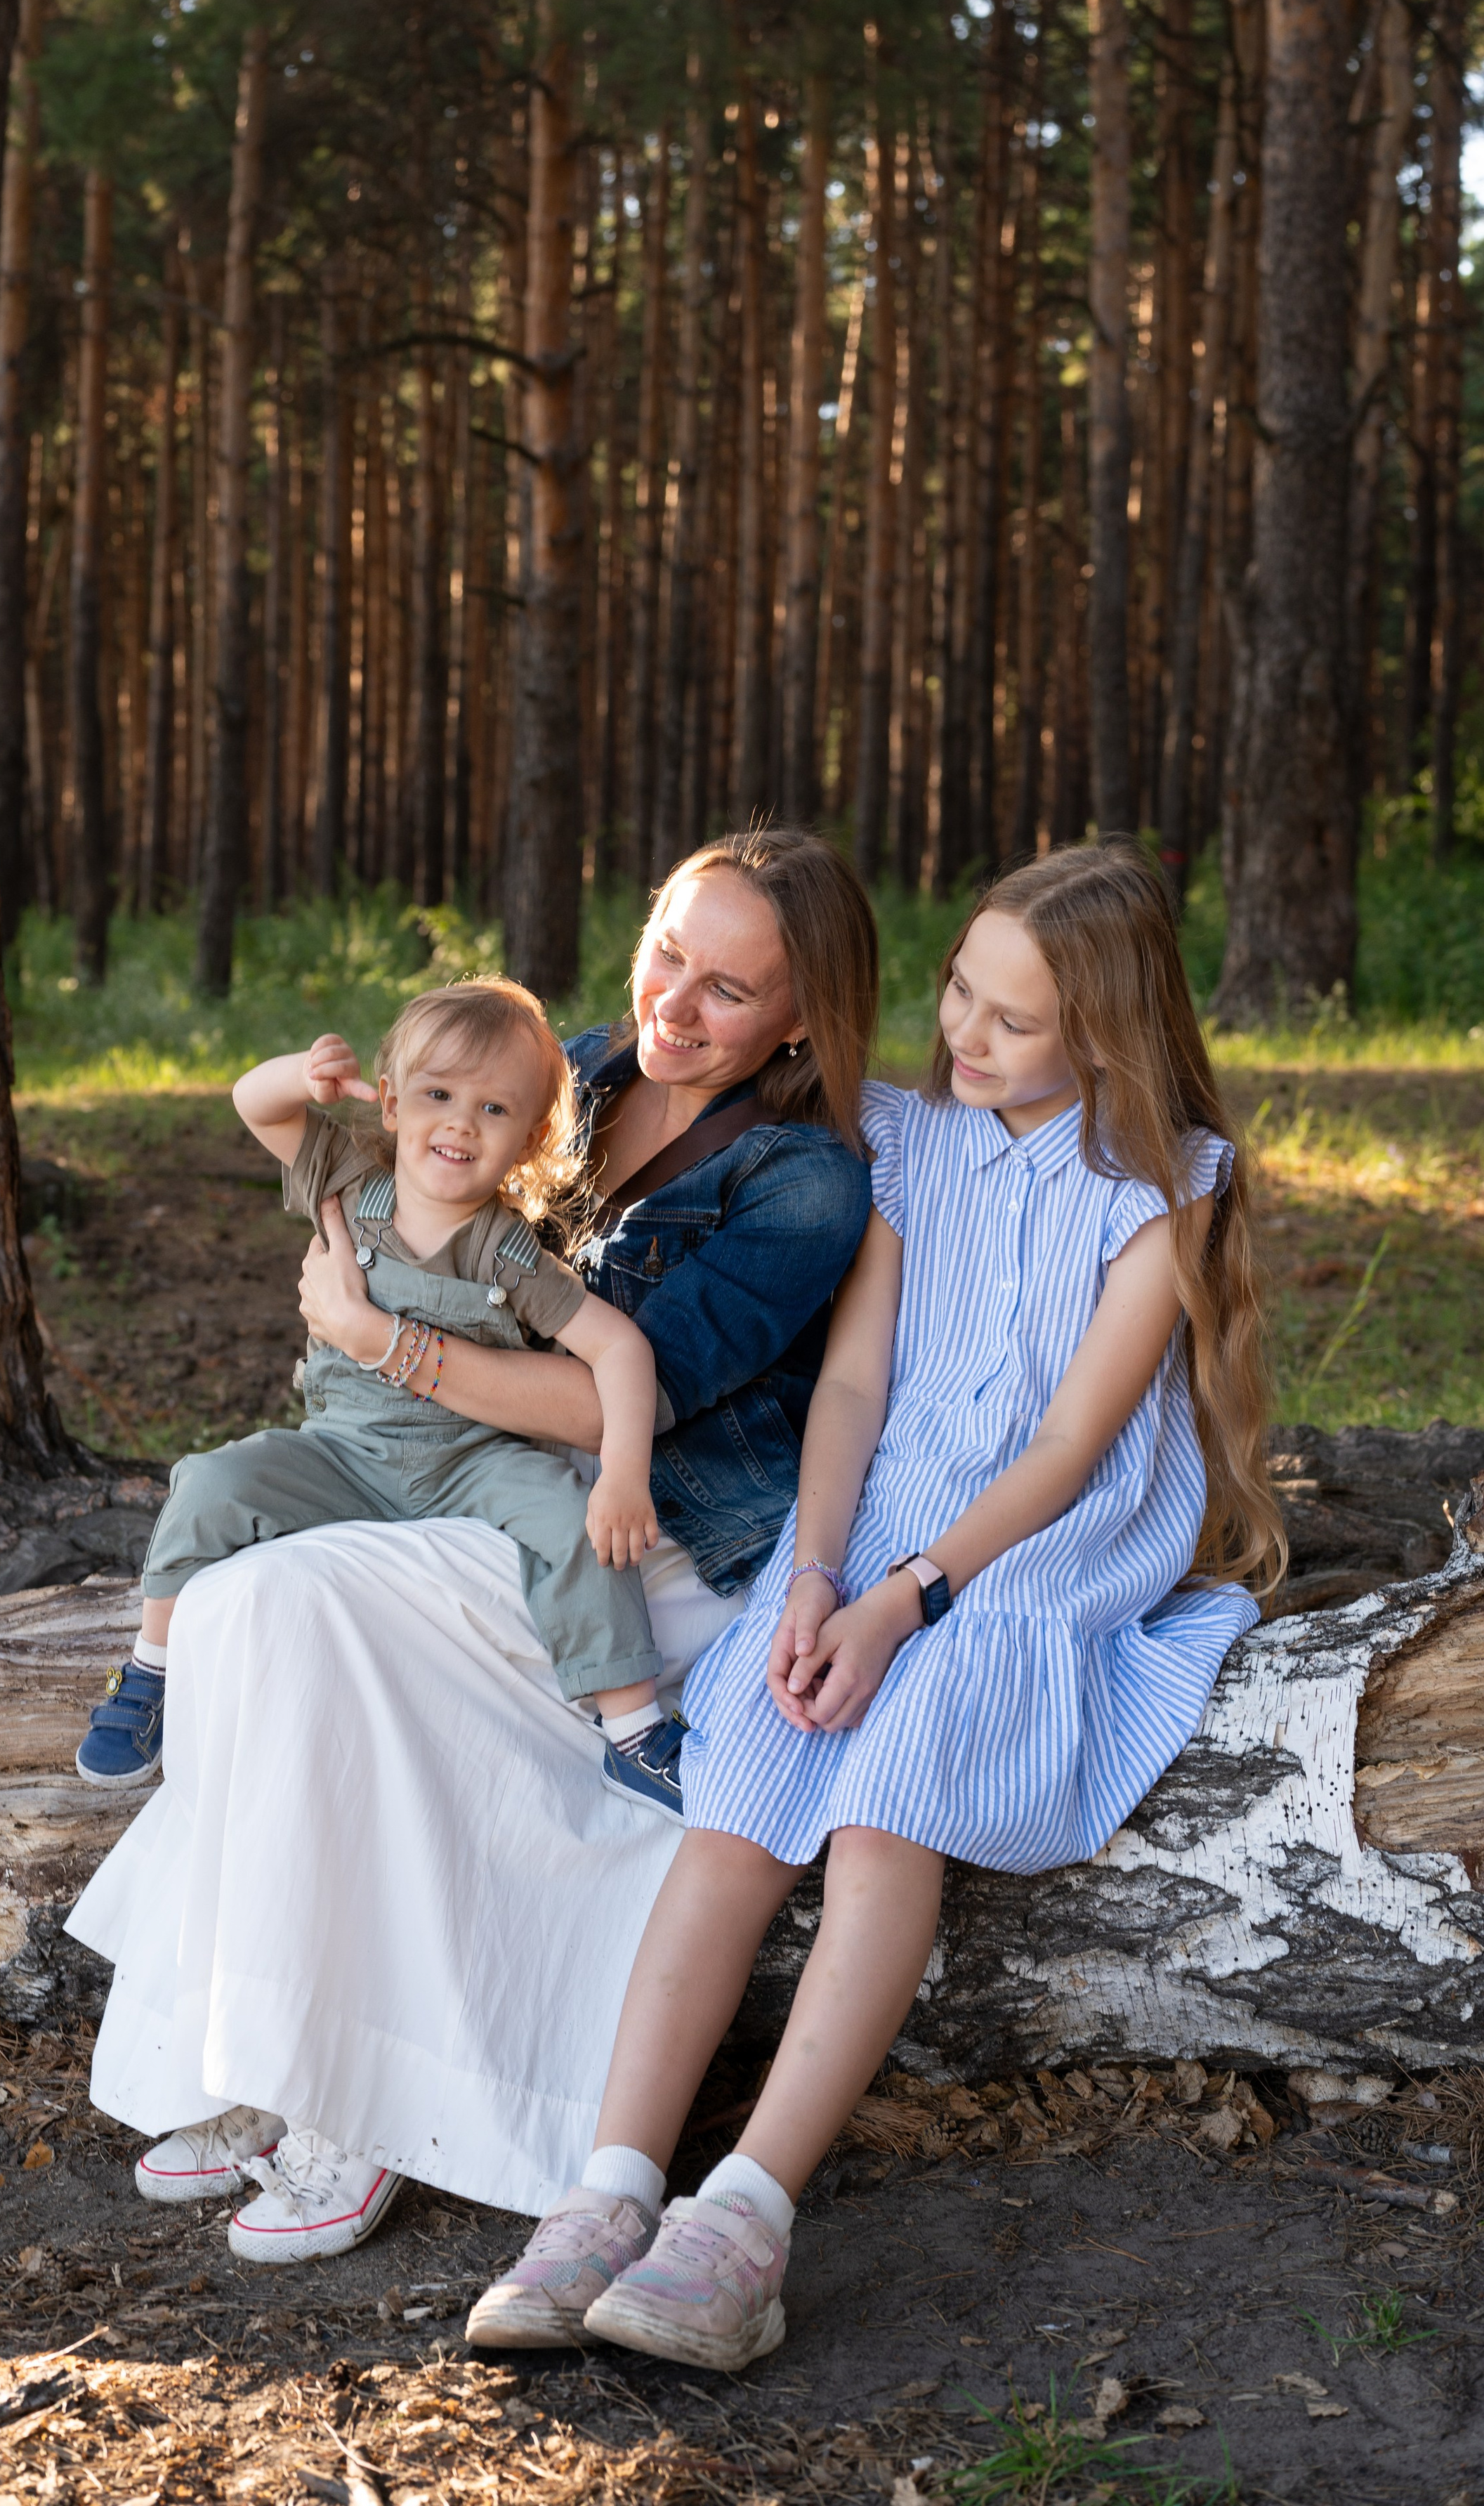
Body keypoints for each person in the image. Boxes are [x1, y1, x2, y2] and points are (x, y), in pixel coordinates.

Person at [467, 838, 1285, 2374]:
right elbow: (852, 1387)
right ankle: (606, 2190)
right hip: (876, 1518)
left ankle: (744, 2216)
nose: (963, 1033)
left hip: (1030, 1548)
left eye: (1012, 1020)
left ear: (1106, 1035)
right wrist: (816, 1572)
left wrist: (906, 1601)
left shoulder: (1161, 1187)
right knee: (735, 1806)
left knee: (882, 1807)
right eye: (959, 991)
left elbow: (1069, 1446)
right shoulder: (910, 1147)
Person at [65, 825, 879, 2261]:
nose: (675, 1005)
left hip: (637, 1533)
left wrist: (377, 1340)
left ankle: (370, 2098)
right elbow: (388, 1178)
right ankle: (260, 2048)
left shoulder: (801, 1180)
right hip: (458, 1478)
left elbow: (623, 1392)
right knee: (238, 1600)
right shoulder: (573, 1070)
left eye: (730, 991)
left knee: (299, 1609)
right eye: (668, 955)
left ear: (803, 1017)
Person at [74, 977, 676, 1803]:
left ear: (531, 1137)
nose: (460, 1123)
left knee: (577, 1521)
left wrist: (624, 1474)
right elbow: (254, 1104)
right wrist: (301, 1075)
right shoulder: (353, 1184)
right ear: (391, 1102)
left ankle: (634, 1729)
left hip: (472, 1461)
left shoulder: (509, 1254)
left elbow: (620, 1347)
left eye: (494, 1108)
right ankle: (152, 1670)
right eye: (438, 1094)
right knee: (209, 1482)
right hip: (342, 1452)